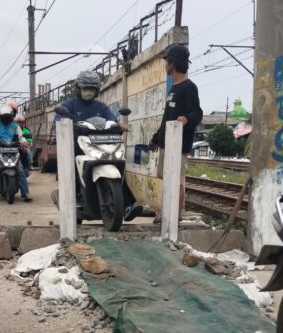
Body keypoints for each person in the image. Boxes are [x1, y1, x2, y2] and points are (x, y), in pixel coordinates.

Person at [55, 70, 143, 221]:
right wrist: (65, 124)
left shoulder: (101, 107)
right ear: (78, 89)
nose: (88, 92)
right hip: (78, 144)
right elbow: (58, 120)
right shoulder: (69, 105)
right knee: (72, 163)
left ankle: (127, 204)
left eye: (91, 89)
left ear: (96, 90)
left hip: (100, 144)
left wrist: (119, 126)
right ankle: (74, 197)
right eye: (85, 88)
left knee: (116, 162)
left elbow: (111, 119)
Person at [149, 44, 203, 221]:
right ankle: (166, 214)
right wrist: (156, 138)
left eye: (166, 61)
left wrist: (186, 119)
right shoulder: (173, 88)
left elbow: (197, 112)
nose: (165, 65)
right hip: (166, 143)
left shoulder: (189, 87)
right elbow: (167, 117)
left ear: (172, 62)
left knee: (177, 181)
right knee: (166, 179)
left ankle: (175, 217)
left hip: (179, 145)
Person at [0, 105, 32, 202]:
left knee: (21, 171)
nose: (6, 119)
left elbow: (21, 137)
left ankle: (26, 193)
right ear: (0, 117)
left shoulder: (15, 126)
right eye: (4, 117)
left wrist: (24, 142)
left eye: (8, 117)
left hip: (14, 151)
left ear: (12, 116)